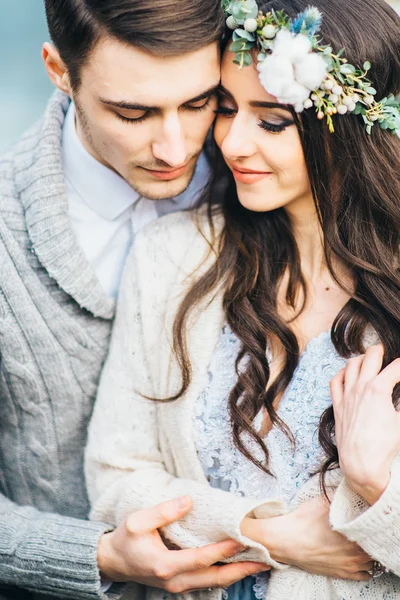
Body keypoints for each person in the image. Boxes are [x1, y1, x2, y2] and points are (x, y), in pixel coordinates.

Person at [85, 0, 400, 597]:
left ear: (353, 124)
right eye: (225, 109)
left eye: (273, 121)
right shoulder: (175, 255)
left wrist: (375, 485)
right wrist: (261, 532)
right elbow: (115, 478)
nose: (232, 142)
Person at [0, 0, 268, 598]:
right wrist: (95, 555)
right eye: (132, 112)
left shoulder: (272, 182)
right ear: (58, 70)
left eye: (199, 102)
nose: (175, 148)